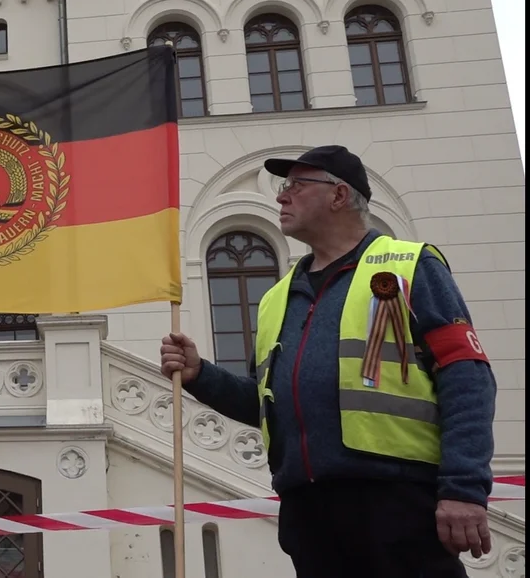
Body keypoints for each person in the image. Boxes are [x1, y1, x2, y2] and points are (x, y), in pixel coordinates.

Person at [159, 145, 497, 578]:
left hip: (398, 504)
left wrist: (464, 488)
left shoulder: (411, 267)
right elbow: (268, 404)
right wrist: (201, 376)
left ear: (339, 195)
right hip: (309, 513)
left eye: (296, 185)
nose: (281, 196)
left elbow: (467, 378)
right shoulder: (277, 298)